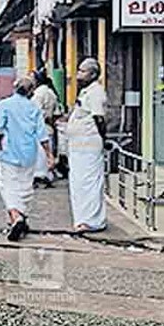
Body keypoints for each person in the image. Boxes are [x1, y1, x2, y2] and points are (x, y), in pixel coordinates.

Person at [0, 76, 55, 241]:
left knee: (8, 186)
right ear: (31, 91)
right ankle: (19, 218)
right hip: (29, 154)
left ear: (14, 88)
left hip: (9, 153)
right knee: (25, 187)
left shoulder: (4, 105)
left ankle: (15, 216)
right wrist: (49, 155)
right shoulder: (34, 108)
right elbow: (42, 134)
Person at [65, 58, 108, 232]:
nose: (78, 74)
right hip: (79, 146)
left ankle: (92, 221)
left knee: (89, 183)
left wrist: (103, 139)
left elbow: (99, 118)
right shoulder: (85, 92)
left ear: (93, 74)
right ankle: (82, 219)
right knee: (78, 183)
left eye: (83, 71)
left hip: (90, 145)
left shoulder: (96, 92)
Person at [31, 70, 63, 188]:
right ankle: (47, 174)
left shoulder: (39, 94)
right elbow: (56, 112)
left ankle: (40, 177)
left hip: (40, 127)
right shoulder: (51, 92)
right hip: (49, 127)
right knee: (47, 151)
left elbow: (35, 112)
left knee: (40, 153)